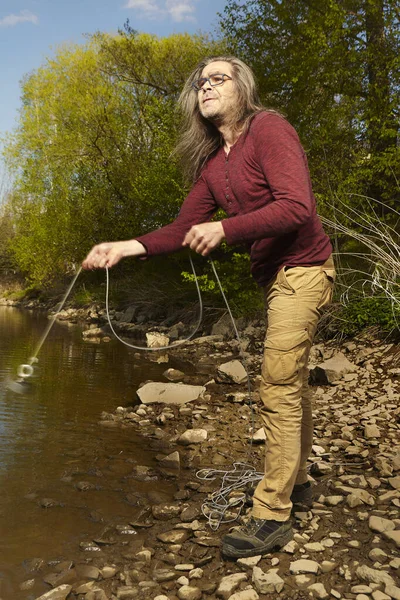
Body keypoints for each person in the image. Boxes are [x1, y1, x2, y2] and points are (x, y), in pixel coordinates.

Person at [82, 56, 335, 559]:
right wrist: (126, 246)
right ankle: (297, 482)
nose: (206, 87)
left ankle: (272, 514)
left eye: (218, 79)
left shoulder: (270, 129)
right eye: (201, 83)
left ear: (243, 88)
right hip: (275, 279)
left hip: (306, 269)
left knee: (278, 385)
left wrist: (225, 229)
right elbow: (181, 228)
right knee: (290, 380)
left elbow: (297, 206)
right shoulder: (214, 164)